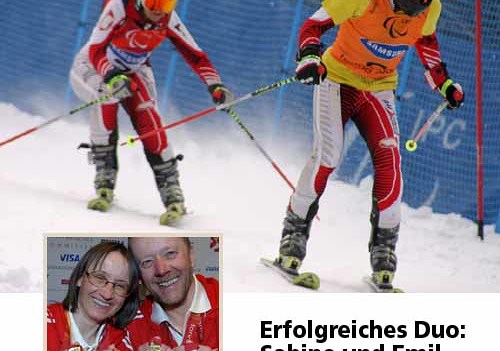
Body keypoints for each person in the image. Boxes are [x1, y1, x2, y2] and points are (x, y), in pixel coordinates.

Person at [274, 0, 464, 290]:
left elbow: (425, 40)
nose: (412, 11)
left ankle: (384, 252)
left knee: (390, 163)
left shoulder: (431, 8)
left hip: (380, 88)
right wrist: (310, 56)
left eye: (421, 4)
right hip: (336, 81)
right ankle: (293, 236)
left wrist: (444, 83)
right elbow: (313, 25)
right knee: (328, 155)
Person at [70, 0, 233, 225]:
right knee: (107, 96)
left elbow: (196, 55)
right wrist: (111, 75)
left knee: (149, 119)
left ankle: (172, 192)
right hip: (93, 66)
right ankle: (104, 178)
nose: (159, 10)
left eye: (166, 4)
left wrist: (215, 84)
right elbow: (95, 50)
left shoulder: (168, 19)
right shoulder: (118, 8)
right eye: (154, 3)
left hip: (134, 70)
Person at [126, 237, 219, 350]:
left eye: (170, 254)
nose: (161, 270)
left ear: (191, 256)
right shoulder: (129, 328)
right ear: (138, 274)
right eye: (147, 262)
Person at [47, 241, 140, 351]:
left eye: (120, 286)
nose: (107, 294)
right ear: (80, 278)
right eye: (99, 278)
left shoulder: (122, 343)